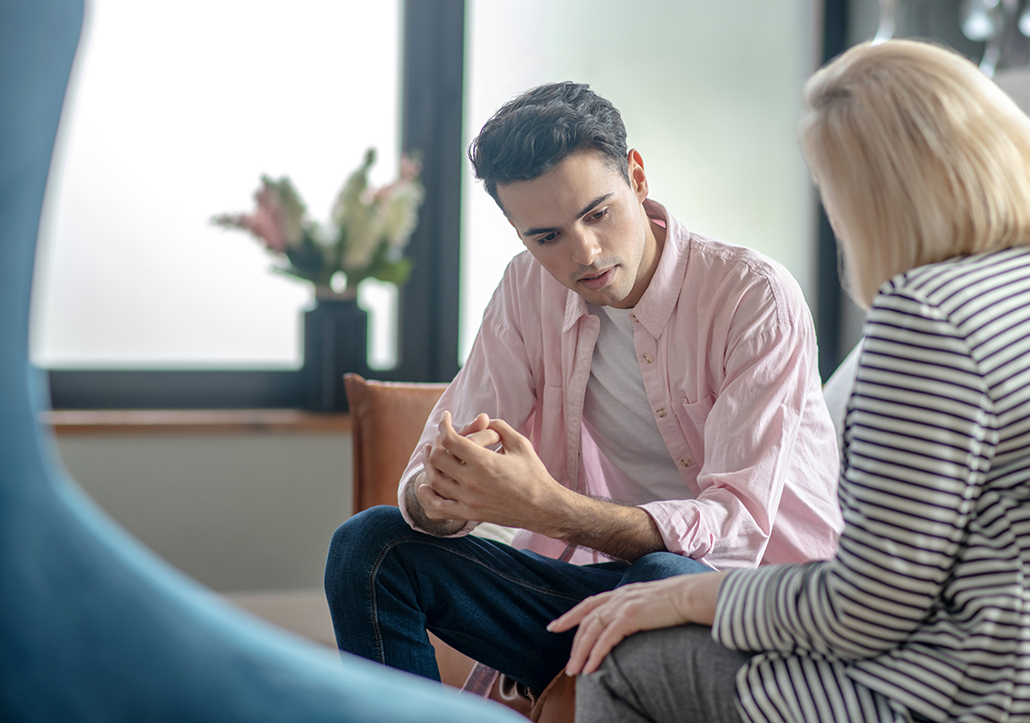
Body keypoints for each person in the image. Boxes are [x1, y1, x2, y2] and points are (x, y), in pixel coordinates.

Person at [550, 40, 1030, 723]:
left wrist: (682, 598)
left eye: (833, 193)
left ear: (878, 197)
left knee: (628, 662)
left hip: (1000, 697)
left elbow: (864, 608)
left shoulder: (928, 312)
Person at [324, 81, 843, 697]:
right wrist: (441, 499)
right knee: (371, 545)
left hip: (755, 608)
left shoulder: (753, 297)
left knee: (664, 572)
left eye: (597, 214)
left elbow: (735, 530)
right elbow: (429, 474)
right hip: (601, 595)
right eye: (546, 237)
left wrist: (545, 508)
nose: (585, 253)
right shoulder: (526, 290)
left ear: (638, 177)